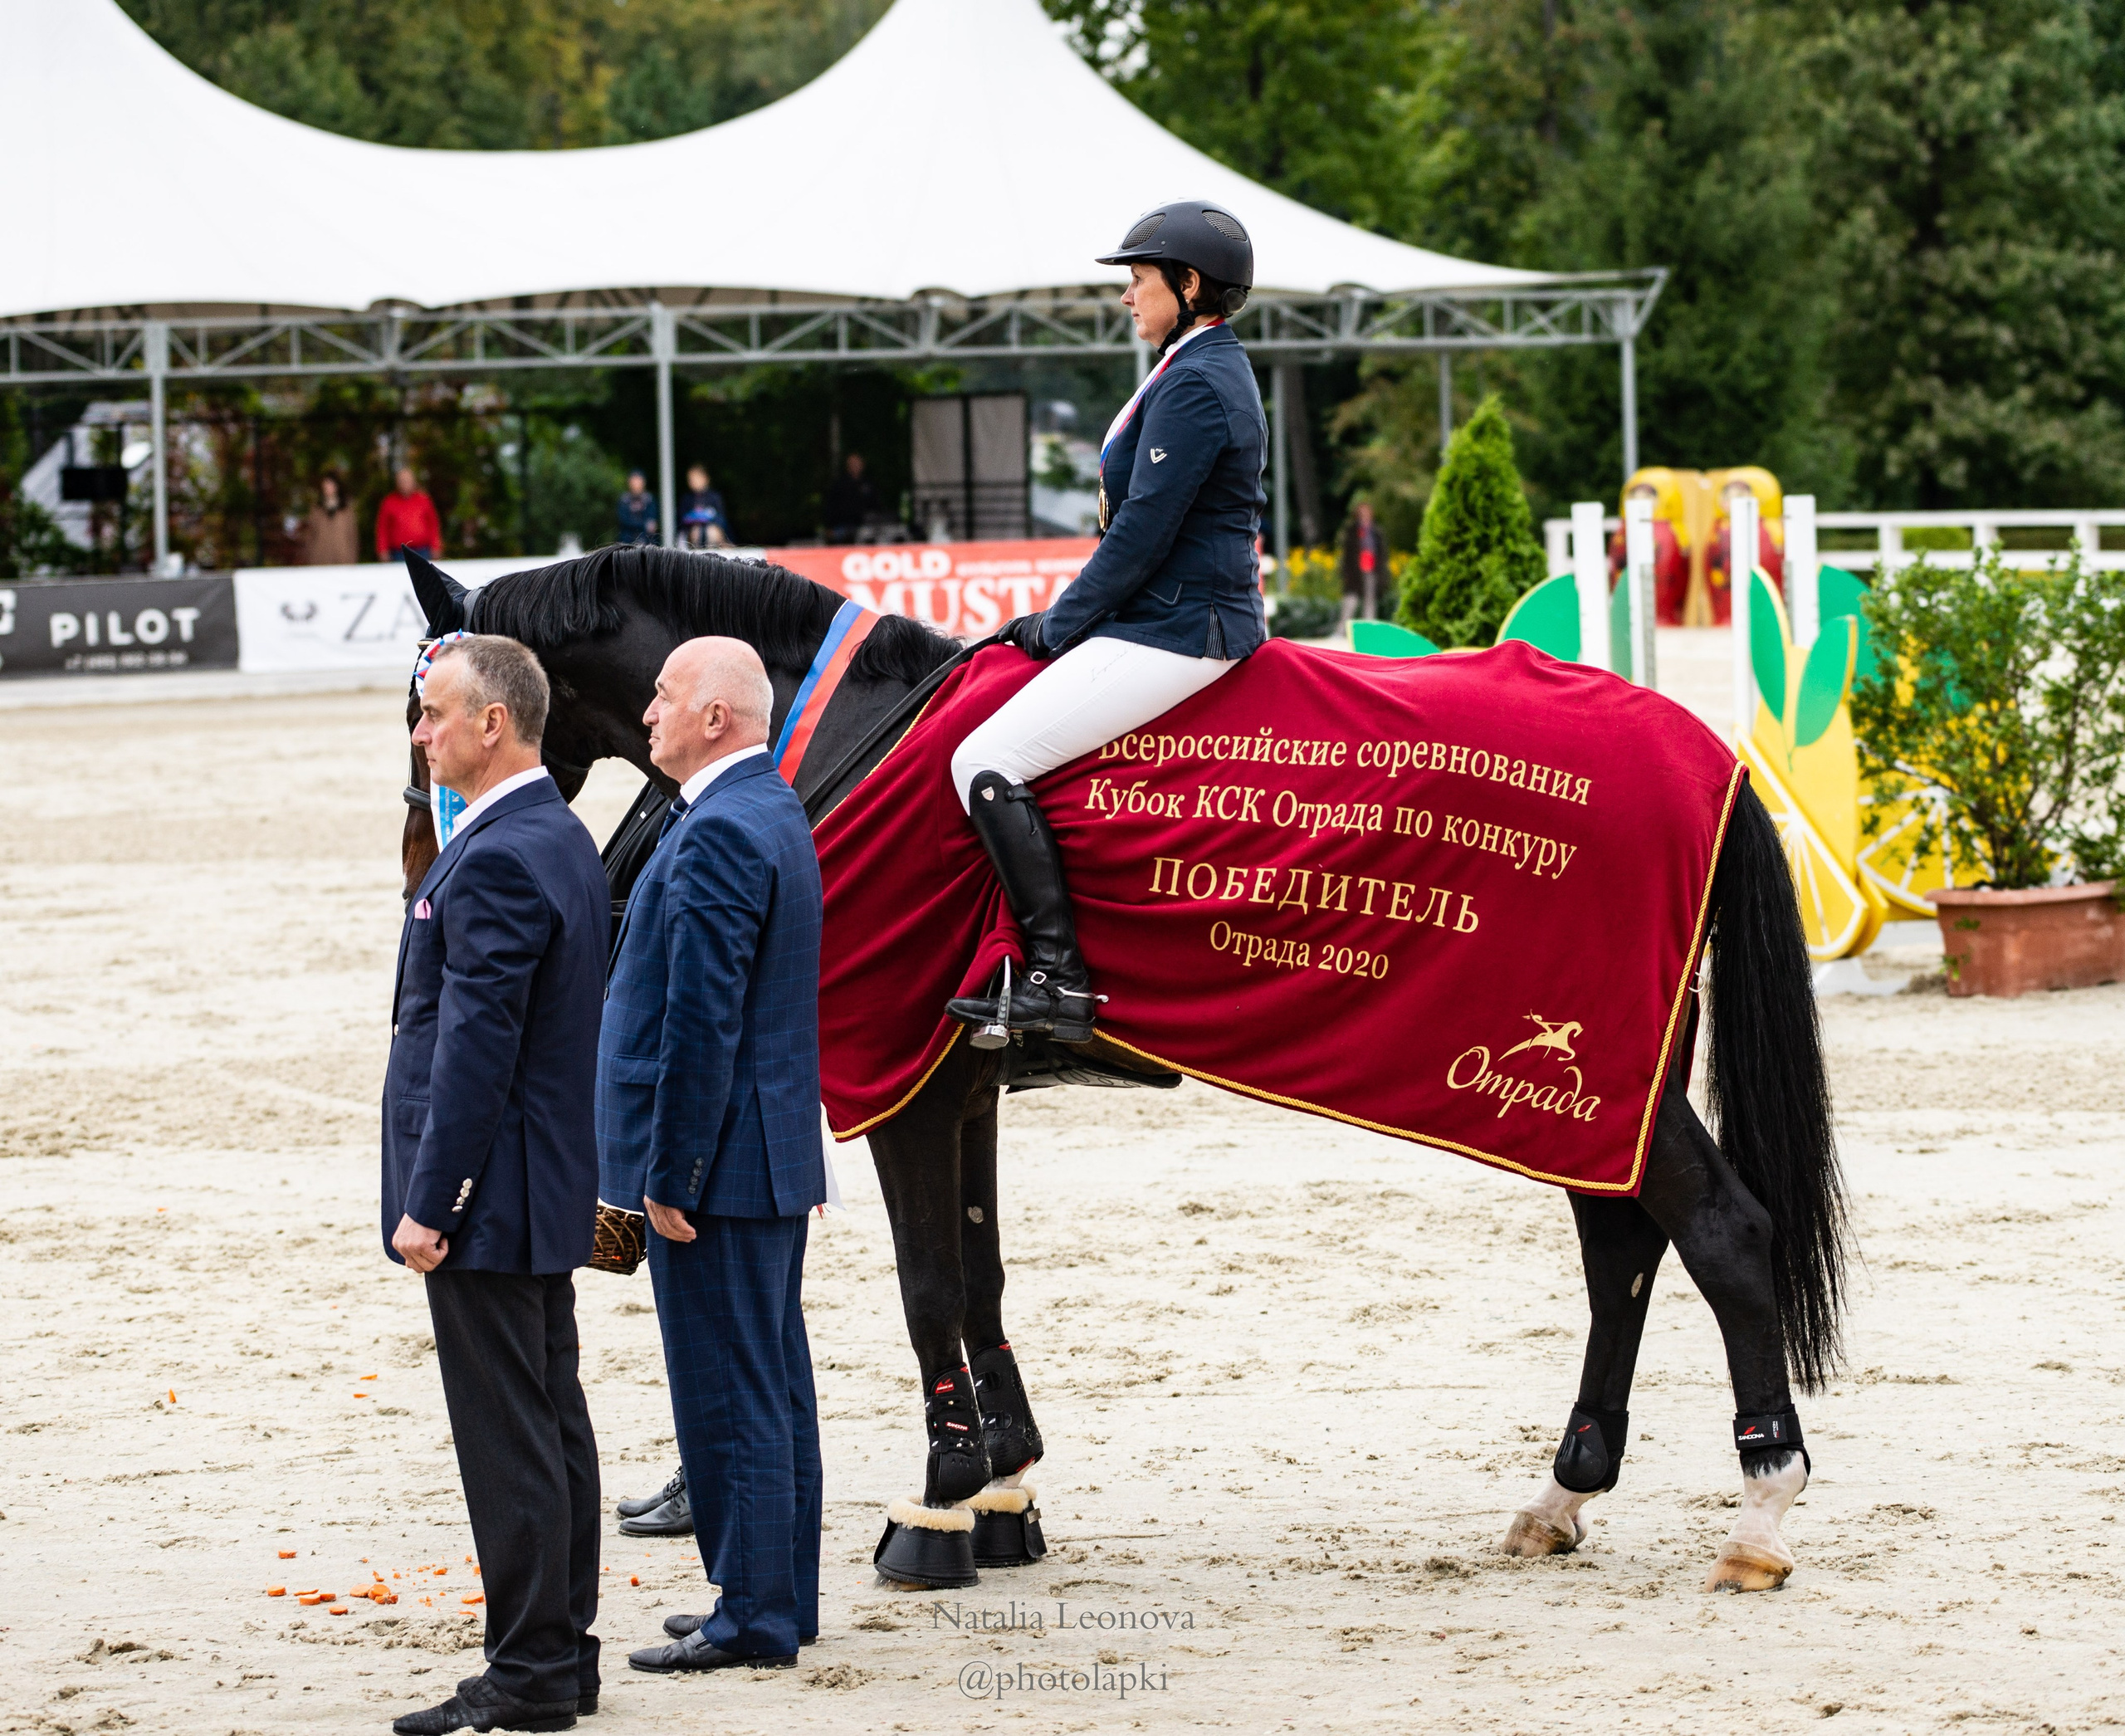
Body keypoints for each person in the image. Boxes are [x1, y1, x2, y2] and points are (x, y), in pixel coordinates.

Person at [943, 201, 1266, 1045]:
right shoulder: (1187, 364)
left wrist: (1060, 623)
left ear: (1188, 286)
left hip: (1181, 626)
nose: (1126, 294)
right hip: (1163, 614)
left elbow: (1142, 534)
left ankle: (1057, 977)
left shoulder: (1197, 379)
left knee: (985, 757)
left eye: (1138, 278)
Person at [383, 635, 611, 1736]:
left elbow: (477, 1050)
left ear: (494, 723)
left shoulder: (508, 851)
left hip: (494, 1191)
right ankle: (562, 1655)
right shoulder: (545, 833)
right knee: (550, 1417)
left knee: (512, 1432)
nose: (421, 734)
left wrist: (433, 1199)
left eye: (433, 714)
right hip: (531, 1181)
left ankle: (529, 1669)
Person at [598, 636, 826, 1675]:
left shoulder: (721, 830)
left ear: (717, 719)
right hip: (761, 1153)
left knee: (731, 1394)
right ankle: (779, 1598)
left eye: (664, 695)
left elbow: (703, 1022)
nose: (647, 711)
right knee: (770, 1386)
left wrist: (670, 1177)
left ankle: (755, 1615)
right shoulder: (764, 806)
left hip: (720, 1165)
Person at [376, 467, 442, 563]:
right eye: (402, 481)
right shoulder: (389, 502)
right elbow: (382, 528)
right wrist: (382, 550)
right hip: (399, 552)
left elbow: (433, 525)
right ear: (397, 483)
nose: (404, 484)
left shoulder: (424, 500)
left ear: (414, 482)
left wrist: (436, 546)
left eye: (407, 481)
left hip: (423, 550)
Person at [1340, 500, 1390, 619]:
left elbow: (1381, 553)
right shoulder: (1352, 531)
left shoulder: (1375, 531)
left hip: (1372, 568)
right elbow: (1347, 553)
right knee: (1351, 600)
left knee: (1370, 600)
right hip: (1356, 570)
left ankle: (1369, 627)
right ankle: (1342, 629)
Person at [299, 473, 359, 565]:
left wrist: (352, 557)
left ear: (337, 486)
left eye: (331, 484)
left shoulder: (347, 509)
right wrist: (310, 555)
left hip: (343, 557)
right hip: (320, 557)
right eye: (326, 484)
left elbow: (353, 535)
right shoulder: (316, 509)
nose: (328, 487)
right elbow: (310, 534)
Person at [822, 452, 877, 544]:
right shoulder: (839, 484)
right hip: (842, 527)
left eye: (857, 463)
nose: (856, 466)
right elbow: (830, 506)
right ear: (848, 466)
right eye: (853, 464)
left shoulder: (868, 484)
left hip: (866, 527)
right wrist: (829, 527)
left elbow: (876, 506)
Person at [677, 464, 729, 549]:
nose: (693, 482)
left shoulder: (714, 497)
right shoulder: (686, 498)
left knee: (712, 532)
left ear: (705, 478)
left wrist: (708, 519)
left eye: (696, 479)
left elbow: (721, 519)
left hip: (712, 529)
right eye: (690, 480)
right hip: (691, 532)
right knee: (696, 532)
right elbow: (681, 520)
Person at [617, 471, 659, 546]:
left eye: (638, 481)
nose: (636, 484)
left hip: (647, 540)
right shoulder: (624, 499)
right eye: (634, 481)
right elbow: (623, 521)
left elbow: (652, 522)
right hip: (627, 540)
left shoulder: (649, 499)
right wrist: (644, 525)